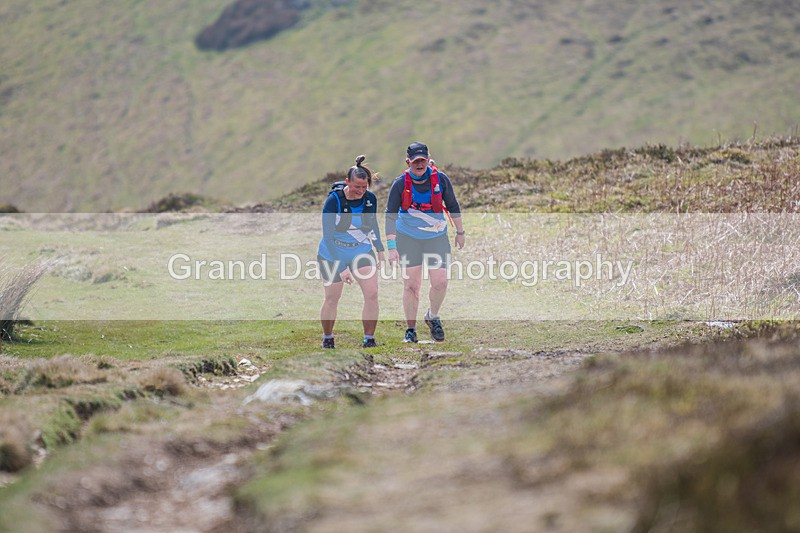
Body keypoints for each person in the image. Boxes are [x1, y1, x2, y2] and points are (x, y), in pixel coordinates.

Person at [385, 142, 465, 343]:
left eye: (423, 160)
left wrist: (460, 231)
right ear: (408, 162)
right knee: (412, 285)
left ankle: (433, 316)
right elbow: (390, 216)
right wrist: (392, 248)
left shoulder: (441, 180)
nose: (420, 164)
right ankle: (410, 330)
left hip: (436, 237)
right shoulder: (400, 184)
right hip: (407, 238)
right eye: (415, 161)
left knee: (440, 282)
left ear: (429, 159)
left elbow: (453, 205)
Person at [317, 155, 385, 348]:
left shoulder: (370, 199)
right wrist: (341, 268)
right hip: (332, 253)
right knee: (332, 298)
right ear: (348, 182)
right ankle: (328, 337)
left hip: (360, 251)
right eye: (357, 187)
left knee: (372, 294)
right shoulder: (334, 201)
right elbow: (328, 237)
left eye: (364, 187)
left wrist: (379, 248)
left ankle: (369, 339)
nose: (361, 191)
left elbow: (372, 225)